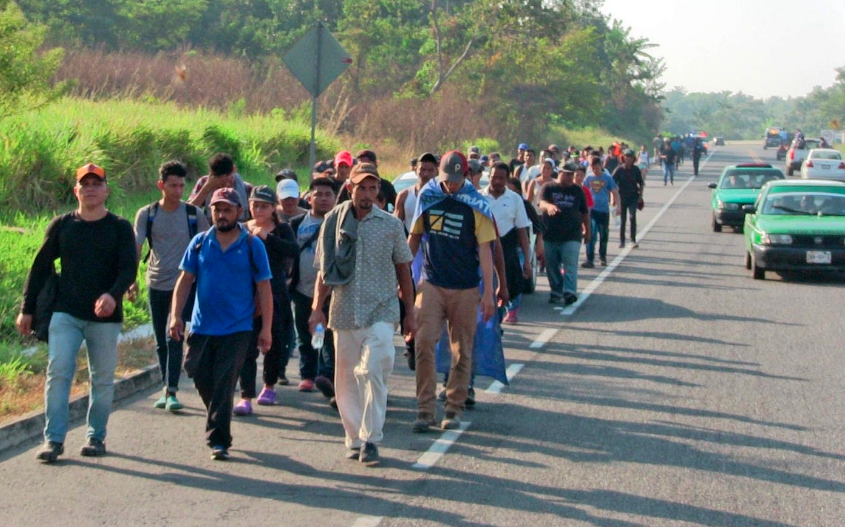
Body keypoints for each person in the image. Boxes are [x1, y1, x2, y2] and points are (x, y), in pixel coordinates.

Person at [18, 163, 137, 462]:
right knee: (58, 372)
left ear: (106, 189)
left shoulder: (120, 227)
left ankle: (95, 437)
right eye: (85, 184)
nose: (91, 189)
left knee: (102, 378)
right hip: (65, 312)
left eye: (97, 184)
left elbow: (128, 269)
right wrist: (26, 309)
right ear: (76, 190)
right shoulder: (63, 225)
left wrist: (113, 295)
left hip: (105, 318)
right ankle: (53, 440)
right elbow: (40, 266)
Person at [309, 163, 415, 465]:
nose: (367, 194)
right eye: (361, 187)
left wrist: (410, 313)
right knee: (346, 379)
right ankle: (354, 437)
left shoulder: (391, 225)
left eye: (372, 188)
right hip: (343, 311)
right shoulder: (333, 221)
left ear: (378, 190)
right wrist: (317, 309)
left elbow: (403, 270)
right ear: (351, 188)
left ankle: (371, 438)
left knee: (374, 369)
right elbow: (324, 270)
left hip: (381, 309)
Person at [169, 187, 274, 461]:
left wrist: (266, 329)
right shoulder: (200, 243)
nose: (222, 214)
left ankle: (219, 440)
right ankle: (217, 415)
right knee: (198, 374)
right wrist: (175, 315)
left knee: (224, 381)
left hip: (238, 328)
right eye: (217, 209)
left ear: (239, 212)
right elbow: (185, 281)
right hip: (202, 326)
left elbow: (264, 287)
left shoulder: (253, 245)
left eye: (227, 209)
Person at [409, 150, 497, 432]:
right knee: (423, 343)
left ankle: (454, 406)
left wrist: (488, 293)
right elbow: (415, 237)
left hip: (465, 287)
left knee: (461, 349)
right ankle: (425, 409)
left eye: (457, 180)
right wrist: (401, 278)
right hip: (432, 282)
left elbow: (485, 250)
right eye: (448, 179)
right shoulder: (429, 196)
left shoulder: (476, 204)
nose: (452, 185)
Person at [132, 160, 210, 412]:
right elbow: (137, 248)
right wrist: (130, 279)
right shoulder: (147, 214)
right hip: (156, 283)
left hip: (187, 286)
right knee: (161, 340)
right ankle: (167, 387)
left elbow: (209, 249)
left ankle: (171, 391)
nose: (178, 190)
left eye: (181, 185)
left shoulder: (193, 214)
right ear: (161, 185)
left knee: (174, 335)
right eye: (172, 185)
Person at [233, 186, 298, 416]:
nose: (258, 209)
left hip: (275, 294)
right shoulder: (241, 229)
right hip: (246, 295)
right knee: (246, 346)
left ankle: (269, 385)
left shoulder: (282, 229)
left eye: (264, 205)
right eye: (255, 204)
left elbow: (293, 250)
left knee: (273, 343)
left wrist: (266, 237)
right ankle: (245, 395)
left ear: (273, 208)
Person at [289, 177, 338, 398]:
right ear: (309, 198)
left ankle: (326, 373)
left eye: (328, 194)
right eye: (318, 194)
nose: (323, 198)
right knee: (304, 333)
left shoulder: (340, 222)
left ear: (336, 198)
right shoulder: (297, 224)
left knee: (326, 333)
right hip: (302, 289)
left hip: (331, 292)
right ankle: (307, 375)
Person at [482, 162, 532, 324]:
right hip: (484, 250)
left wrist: (527, 261)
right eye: (494, 177)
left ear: (507, 179)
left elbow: (522, 231)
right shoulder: (478, 197)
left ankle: (503, 317)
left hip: (508, 250)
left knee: (507, 288)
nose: (497, 181)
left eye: (501, 178)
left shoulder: (515, 199)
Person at [539, 162, 590, 305]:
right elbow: (541, 203)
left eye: (571, 174)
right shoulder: (548, 187)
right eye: (566, 173)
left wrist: (588, 231)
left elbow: (585, 212)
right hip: (551, 235)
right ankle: (556, 291)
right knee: (552, 266)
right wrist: (549, 206)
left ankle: (569, 292)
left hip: (572, 235)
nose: (569, 177)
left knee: (570, 264)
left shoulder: (577, 190)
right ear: (559, 172)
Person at [188, 153, 252, 221]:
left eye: (228, 178)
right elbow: (188, 210)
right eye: (220, 180)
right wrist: (206, 188)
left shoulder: (247, 189)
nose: (225, 184)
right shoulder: (203, 183)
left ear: (234, 169)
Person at [583, 157, 621, 268]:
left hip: (604, 211)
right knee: (591, 234)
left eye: (597, 167)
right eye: (593, 168)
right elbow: (583, 192)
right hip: (591, 211)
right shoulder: (588, 178)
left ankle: (602, 256)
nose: (595, 170)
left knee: (603, 235)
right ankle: (590, 258)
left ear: (601, 166)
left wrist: (618, 206)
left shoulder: (607, 178)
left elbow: (615, 192)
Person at [613, 149, 645, 249]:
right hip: (622, 197)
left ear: (633, 158)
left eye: (630, 157)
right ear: (623, 157)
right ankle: (622, 241)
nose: (628, 158)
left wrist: (640, 196)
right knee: (623, 220)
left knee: (632, 217)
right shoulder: (619, 170)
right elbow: (612, 183)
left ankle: (633, 240)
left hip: (633, 197)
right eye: (626, 156)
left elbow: (641, 183)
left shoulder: (636, 170)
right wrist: (614, 197)